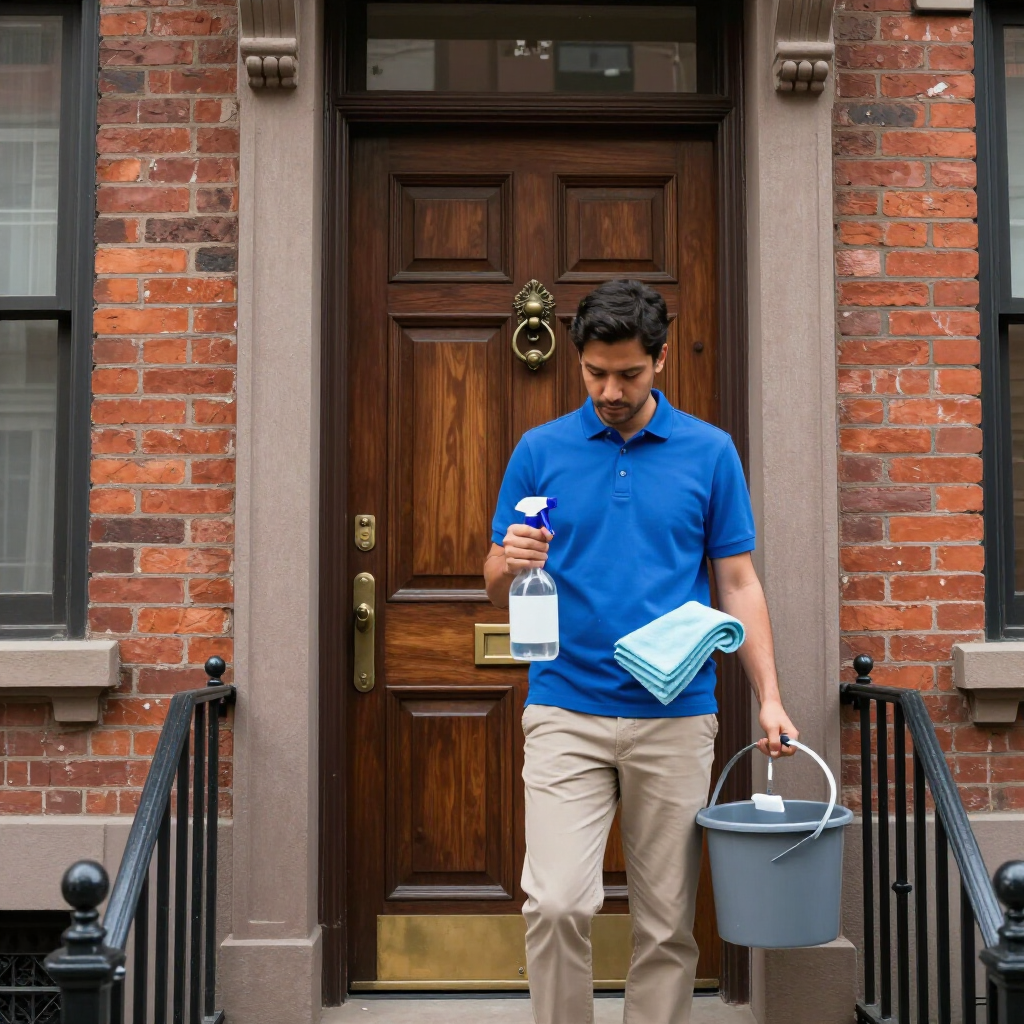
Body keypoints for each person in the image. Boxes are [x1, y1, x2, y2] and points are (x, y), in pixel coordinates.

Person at [483, 279, 799, 1024]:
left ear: (660, 359)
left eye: (628, 373)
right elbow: (495, 580)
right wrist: (511, 558)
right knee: (556, 903)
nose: (611, 390)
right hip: (565, 707)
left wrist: (770, 696)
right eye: (596, 373)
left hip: (677, 713)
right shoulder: (541, 451)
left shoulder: (709, 452)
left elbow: (738, 581)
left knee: (665, 924)